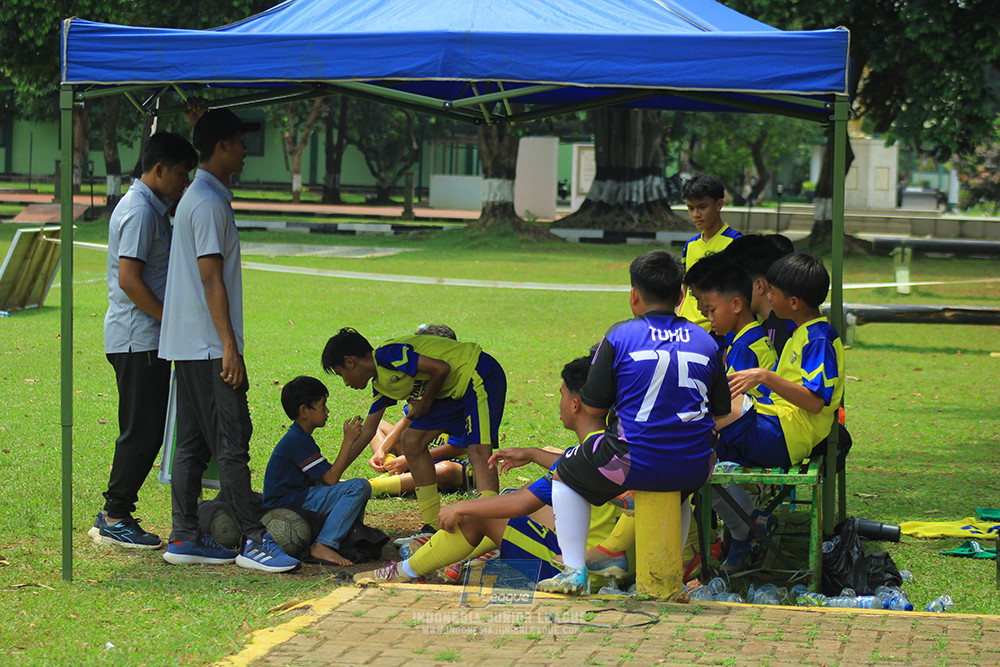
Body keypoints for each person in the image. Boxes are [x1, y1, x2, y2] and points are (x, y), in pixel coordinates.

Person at [537, 250, 731, 595]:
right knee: (679, 494)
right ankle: (672, 575)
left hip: (632, 461)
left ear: (634, 295)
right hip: (695, 466)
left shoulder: (619, 336)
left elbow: (594, 408)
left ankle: (574, 570)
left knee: (564, 475)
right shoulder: (707, 341)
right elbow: (719, 410)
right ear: (682, 297)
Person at [158, 109, 299, 572]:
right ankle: (254, 540)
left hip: (193, 345)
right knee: (231, 438)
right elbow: (211, 278)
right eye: (239, 141)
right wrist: (229, 347)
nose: (244, 151)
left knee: (194, 445)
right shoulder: (207, 202)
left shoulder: (201, 197)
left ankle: (182, 536)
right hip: (206, 346)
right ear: (221, 146)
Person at [352, 356, 625, 586]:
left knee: (477, 514)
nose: (560, 403)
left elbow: (521, 502)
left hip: (576, 572)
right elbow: (568, 464)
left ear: (576, 404)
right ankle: (462, 558)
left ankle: (404, 572)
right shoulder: (611, 447)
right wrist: (532, 454)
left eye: (563, 395)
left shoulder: (579, 461)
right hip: (607, 565)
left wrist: (460, 508)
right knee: (508, 507)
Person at [89, 133, 198, 550]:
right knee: (142, 430)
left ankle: (116, 512)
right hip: (139, 339)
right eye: (180, 175)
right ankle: (114, 515)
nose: (184, 184)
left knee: (147, 428)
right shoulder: (138, 212)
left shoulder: (152, 208)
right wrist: (170, 322)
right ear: (158, 170)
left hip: (145, 338)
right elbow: (130, 280)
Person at [712, 252, 845, 572]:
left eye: (772, 291)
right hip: (778, 424)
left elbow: (814, 401)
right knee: (699, 443)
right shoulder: (803, 332)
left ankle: (747, 528)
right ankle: (749, 524)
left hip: (787, 434)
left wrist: (763, 376)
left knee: (706, 418)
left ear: (794, 301)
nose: (767, 296)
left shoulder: (818, 337)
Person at [321, 327, 506, 533]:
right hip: (448, 391)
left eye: (341, 374)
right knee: (411, 440)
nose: (346, 382)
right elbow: (368, 431)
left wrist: (425, 401)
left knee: (478, 452)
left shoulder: (386, 354)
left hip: (477, 374)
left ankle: (490, 526)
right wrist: (334, 473)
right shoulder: (381, 385)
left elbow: (441, 368)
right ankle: (433, 526)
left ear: (350, 361)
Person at [263, 376, 372, 566]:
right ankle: (323, 544)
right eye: (323, 406)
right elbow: (330, 479)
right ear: (304, 410)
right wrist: (348, 440)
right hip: (286, 504)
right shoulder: (297, 441)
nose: (327, 411)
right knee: (358, 487)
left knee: (352, 489)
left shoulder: (299, 437)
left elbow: (325, 479)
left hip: (297, 498)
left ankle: (343, 538)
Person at [697, 263, 777, 397]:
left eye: (712, 310)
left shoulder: (744, 346)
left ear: (736, 305)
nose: (709, 318)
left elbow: (728, 396)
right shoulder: (756, 335)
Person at [677, 174, 741, 332]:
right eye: (691, 208)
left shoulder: (735, 242)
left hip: (717, 332)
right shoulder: (690, 245)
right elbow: (685, 288)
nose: (696, 215)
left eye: (702, 207)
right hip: (687, 329)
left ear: (719, 204)